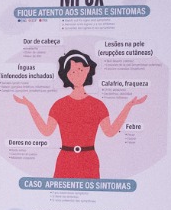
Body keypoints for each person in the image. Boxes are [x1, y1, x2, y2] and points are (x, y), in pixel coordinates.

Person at [12, 49, 146, 179]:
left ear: (88, 70)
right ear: (66, 76)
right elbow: (46, 131)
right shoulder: (59, 105)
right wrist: (30, 105)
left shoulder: (98, 105)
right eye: (72, 72)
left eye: (80, 70)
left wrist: (128, 106)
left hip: (89, 161)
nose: (77, 75)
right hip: (65, 161)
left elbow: (110, 132)